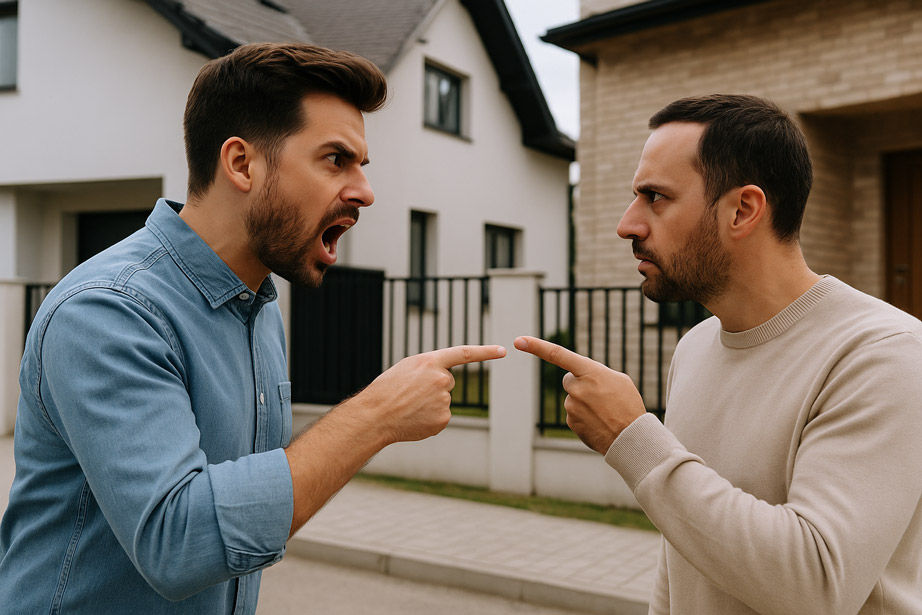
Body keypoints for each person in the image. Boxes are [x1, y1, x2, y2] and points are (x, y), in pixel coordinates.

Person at [0, 43, 505, 613]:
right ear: (241, 163)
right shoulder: (108, 312)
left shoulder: (258, 307)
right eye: (336, 159)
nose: (364, 190)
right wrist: (377, 415)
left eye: (362, 165)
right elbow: (180, 542)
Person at [515, 94, 922, 614]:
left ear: (742, 211)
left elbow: (817, 584)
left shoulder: (882, 356)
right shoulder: (695, 347)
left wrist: (632, 437)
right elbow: (684, 554)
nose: (628, 225)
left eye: (655, 197)